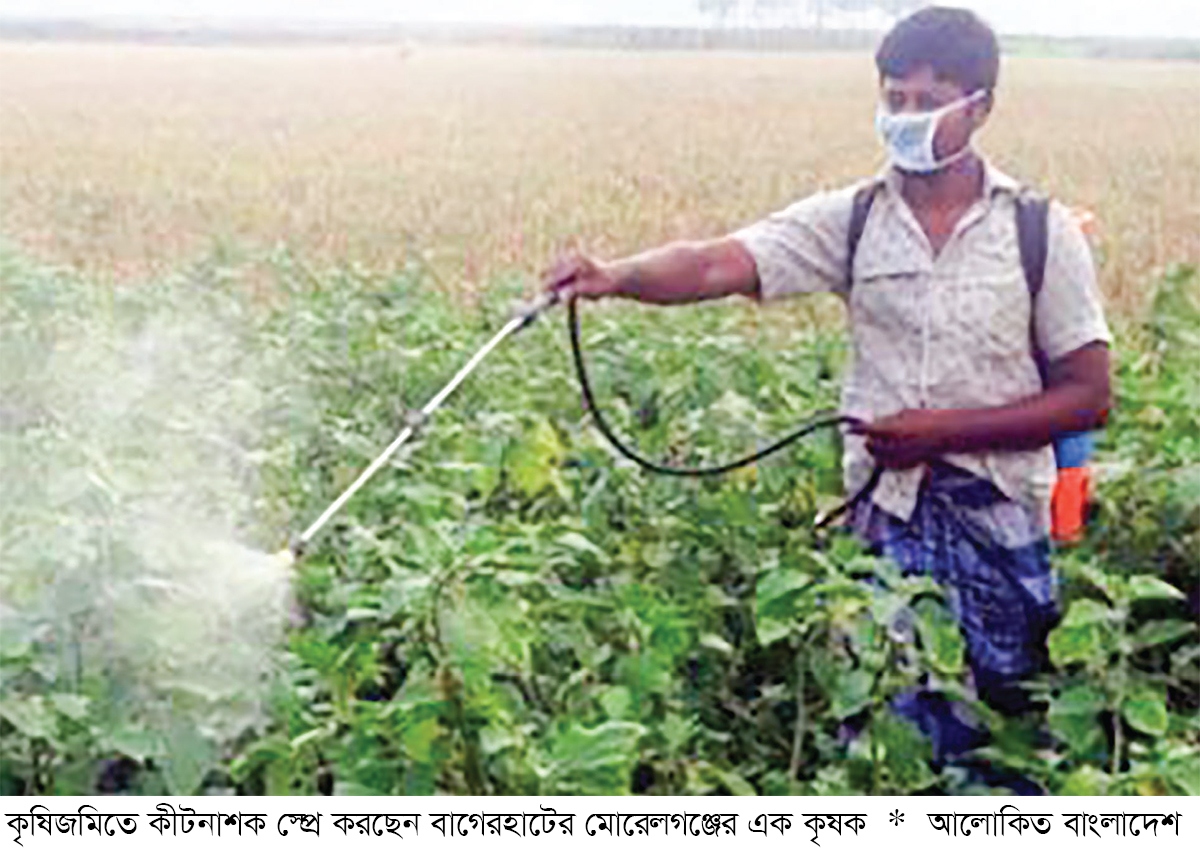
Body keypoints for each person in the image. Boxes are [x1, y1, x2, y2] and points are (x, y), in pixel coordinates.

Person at [542, 6, 1112, 776]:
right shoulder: (854, 220)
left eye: (928, 100)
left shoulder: (1039, 232)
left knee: (1012, 741)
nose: (907, 118)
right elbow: (720, 263)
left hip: (1002, 524)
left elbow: (1086, 396)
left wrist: (943, 432)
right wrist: (617, 276)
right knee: (885, 738)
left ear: (979, 107)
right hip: (888, 523)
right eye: (893, 99)